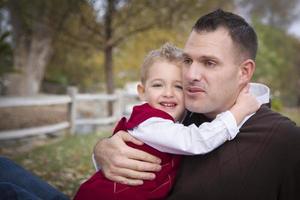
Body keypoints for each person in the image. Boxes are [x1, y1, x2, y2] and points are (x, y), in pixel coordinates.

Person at [93, 9, 300, 200]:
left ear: (244, 72)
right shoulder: (178, 113)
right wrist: (101, 151)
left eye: (209, 63)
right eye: (188, 61)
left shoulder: (284, 139)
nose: (190, 75)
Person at [74, 43, 260, 200]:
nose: (168, 93)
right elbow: (196, 141)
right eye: (157, 85)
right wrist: (239, 111)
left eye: (178, 86)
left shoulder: (177, 121)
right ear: (142, 91)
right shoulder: (149, 123)